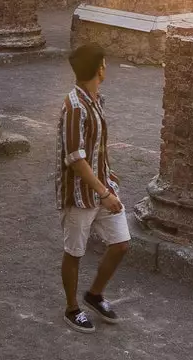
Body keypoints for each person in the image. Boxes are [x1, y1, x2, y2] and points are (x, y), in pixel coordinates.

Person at [57, 43, 129, 333]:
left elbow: (95, 146)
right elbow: (75, 159)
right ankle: (72, 308)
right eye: (105, 63)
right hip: (79, 195)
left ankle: (94, 294)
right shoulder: (74, 106)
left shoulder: (97, 99)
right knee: (74, 252)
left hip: (102, 186)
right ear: (98, 68)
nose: (107, 67)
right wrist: (104, 193)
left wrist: (108, 172)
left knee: (121, 244)